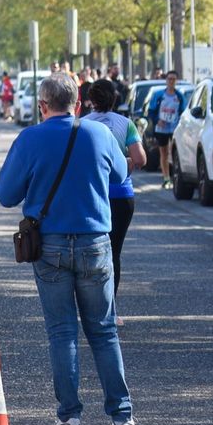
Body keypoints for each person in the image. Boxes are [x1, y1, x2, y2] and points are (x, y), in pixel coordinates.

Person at [0, 73, 139, 425]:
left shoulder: (30, 138)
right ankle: (121, 419)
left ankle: (70, 420)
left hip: (51, 243)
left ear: (42, 106)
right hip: (95, 239)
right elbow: (121, 173)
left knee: (62, 333)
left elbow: (6, 194)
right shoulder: (100, 134)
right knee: (104, 331)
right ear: (78, 104)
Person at [83, 79, 146, 325]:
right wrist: (125, 163)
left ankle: (90, 309)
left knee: (90, 252)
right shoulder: (125, 124)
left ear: (91, 99)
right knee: (114, 253)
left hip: (92, 194)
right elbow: (140, 158)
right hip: (121, 195)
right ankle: (111, 311)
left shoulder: (83, 124)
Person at [147, 70, 186, 189]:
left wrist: (179, 123)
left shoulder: (179, 96)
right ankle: (166, 178)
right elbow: (151, 111)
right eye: (169, 79)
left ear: (176, 81)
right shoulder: (159, 95)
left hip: (174, 129)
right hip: (161, 129)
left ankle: (175, 176)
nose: (171, 81)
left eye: (174, 79)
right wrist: (157, 120)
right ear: (166, 80)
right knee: (164, 152)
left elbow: (183, 113)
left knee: (173, 152)